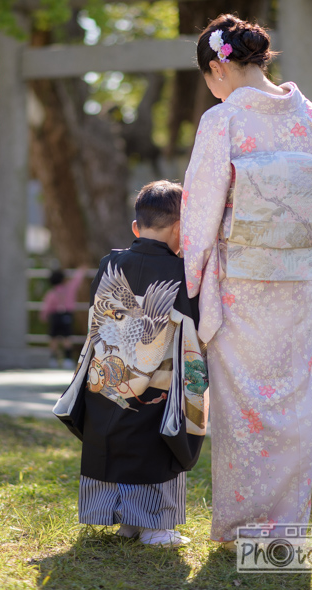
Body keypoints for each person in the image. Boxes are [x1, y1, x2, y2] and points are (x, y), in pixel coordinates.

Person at [181, 14, 312, 547]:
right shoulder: (307, 112)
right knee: (291, 400)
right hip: (292, 279)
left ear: (218, 67)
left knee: (244, 404)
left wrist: (193, 277)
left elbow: (199, 210)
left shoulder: (222, 120)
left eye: (206, 75)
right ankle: (287, 529)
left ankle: (245, 529)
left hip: (239, 280)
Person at [53, 180, 208, 548]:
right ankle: (154, 525)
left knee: (110, 436)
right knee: (160, 441)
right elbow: (195, 330)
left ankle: (121, 518)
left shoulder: (110, 263)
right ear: (181, 228)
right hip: (156, 382)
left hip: (106, 379)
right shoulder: (181, 274)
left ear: (137, 227)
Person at [40, 267, 87, 369]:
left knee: (53, 338)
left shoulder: (51, 293)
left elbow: (46, 306)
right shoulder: (69, 289)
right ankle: (68, 359)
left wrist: (44, 316)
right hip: (67, 315)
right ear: (63, 279)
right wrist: (82, 270)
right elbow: (76, 280)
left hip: (54, 316)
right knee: (67, 337)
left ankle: (53, 359)